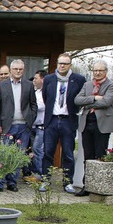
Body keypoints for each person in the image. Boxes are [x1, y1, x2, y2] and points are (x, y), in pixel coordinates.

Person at [41, 53, 86, 193]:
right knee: (48, 152)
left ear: (70, 65)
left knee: (67, 153)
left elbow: (80, 98)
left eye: (65, 64)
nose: (62, 66)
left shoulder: (78, 79)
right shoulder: (49, 79)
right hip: (52, 120)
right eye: (60, 63)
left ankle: (67, 182)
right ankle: (45, 181)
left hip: (68, 120)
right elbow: (45, 97)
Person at [0, 59, 37, 192]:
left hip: (24, 126)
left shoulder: (29, 85)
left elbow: (33, 104)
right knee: (3, 155)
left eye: (20, 69)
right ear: (10, 70)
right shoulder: (1, 85)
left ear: (24, 70)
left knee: (18, 156)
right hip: (7, 126)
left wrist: (31, 118)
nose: (18, 71)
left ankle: (12, 182)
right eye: (15, 69)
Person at [74, 59, 113, 197]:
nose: (97, 73)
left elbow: (107, 101)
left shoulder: (112, 85)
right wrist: (94, 99)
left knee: (100, 156)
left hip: (102, 124)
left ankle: (99, 187)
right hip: (87, 123)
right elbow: (77, 100)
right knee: (88, 156)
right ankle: (86, 186)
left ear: (106, 71)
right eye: (95, 70)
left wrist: (88, 101)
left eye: (100, 70)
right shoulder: (87, 84)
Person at [25, 70, 47, 183]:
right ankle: (36, 173)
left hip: (41, 127)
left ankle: (41, 175)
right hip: (32, 126)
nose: (34, 80)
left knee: (38, 150)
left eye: (36, 78)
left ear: (42, 79)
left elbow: (41, 106)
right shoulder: (35, 92)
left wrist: (29, 105)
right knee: (32, 150)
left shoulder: (45, 92)